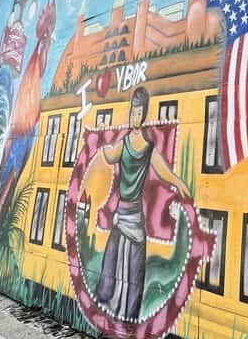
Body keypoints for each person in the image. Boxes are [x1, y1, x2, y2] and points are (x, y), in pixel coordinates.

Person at [81, 87, 189, 322]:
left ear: (144, 114)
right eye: (132, 111)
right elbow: (109, 156)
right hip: (125, 213)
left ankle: (125, 309)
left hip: (129, 214)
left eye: (138, 112)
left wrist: (178, 182)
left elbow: (163, 172)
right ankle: (116, 304)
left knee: (127, 264)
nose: (134, 116)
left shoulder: (142, 148)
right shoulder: (128, 145)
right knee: (116, 261)